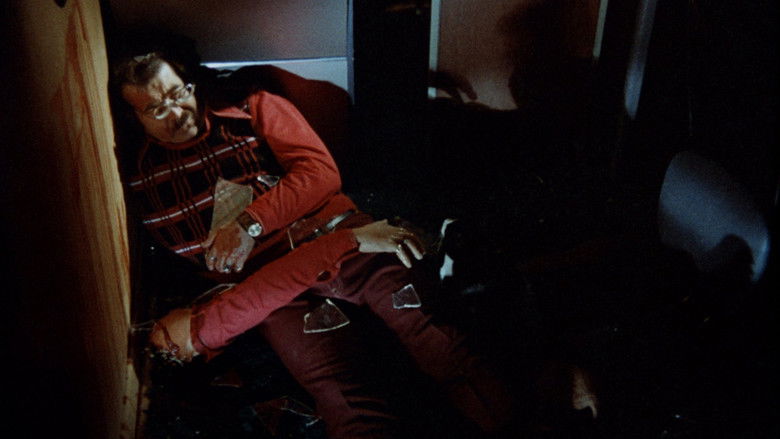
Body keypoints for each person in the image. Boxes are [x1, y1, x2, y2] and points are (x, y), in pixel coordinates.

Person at [110, 49, 512, 438]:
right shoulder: (151, 186)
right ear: (135, 118)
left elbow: (320, 173)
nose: (177, 112)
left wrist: (251, 222)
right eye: (156, 109)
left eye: (179, 93)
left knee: (432, 335)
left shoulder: (250, 105)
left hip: (336, 233)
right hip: (277, 288)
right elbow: (240, 284)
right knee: (342, 396)